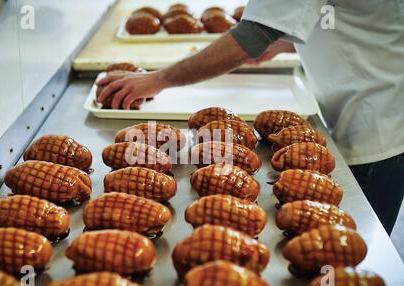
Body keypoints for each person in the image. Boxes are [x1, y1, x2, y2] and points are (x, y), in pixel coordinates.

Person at [96, 0, 404, 234]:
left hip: (376, 130)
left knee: (343, 248)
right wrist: (283, 42)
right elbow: (339, 16)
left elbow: (254, 34)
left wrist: (157, 80)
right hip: (373, 107)